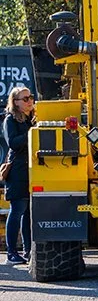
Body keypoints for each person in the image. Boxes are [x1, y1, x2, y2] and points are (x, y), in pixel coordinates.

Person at [2, 86, 37, 264]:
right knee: (17, 210)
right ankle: (11, 253)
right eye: (25, 99)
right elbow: (13, 143)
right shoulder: (10, 119)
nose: (29, 101)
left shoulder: (32, 119)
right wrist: (31, 133)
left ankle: (28, 250)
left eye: (30, 97)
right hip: (17, 170)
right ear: (15, 102)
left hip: (31, 170)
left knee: (28, 213)